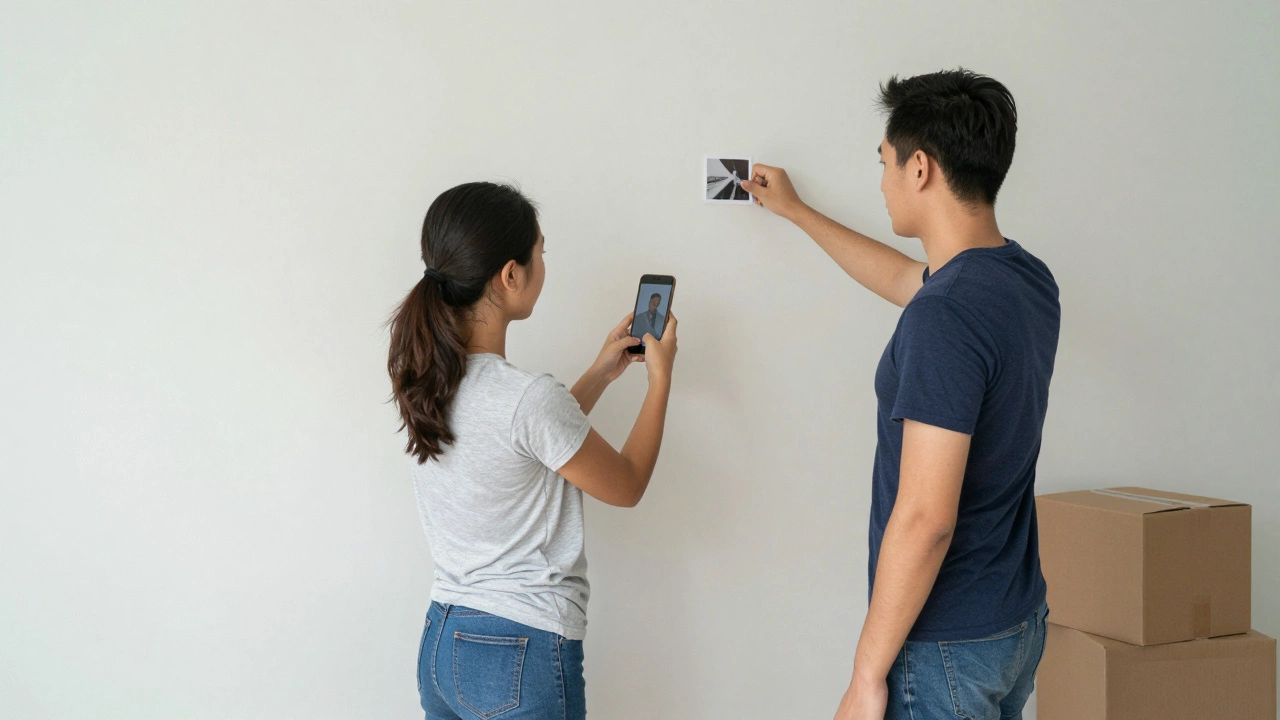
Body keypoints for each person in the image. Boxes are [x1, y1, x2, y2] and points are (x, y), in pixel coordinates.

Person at [742, 69, 1060, 720]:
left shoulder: (945, 316)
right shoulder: (1025, 280)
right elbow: (900, 276)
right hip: (1014, 623)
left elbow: (925, 520)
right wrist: (798, 213)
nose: (881, 180)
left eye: (884, 162)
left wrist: (866, 676)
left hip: (946, 642)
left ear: (921, 169)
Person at [387, 182, 679, 720]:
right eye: (540, 252)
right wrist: (661, 381)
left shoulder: (425, 379)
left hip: (442, 642)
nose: (544, 265)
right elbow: (628, 482)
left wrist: (599, 374)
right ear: (510, 274)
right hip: (520, 646)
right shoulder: (527, 399)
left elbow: (522, 445)